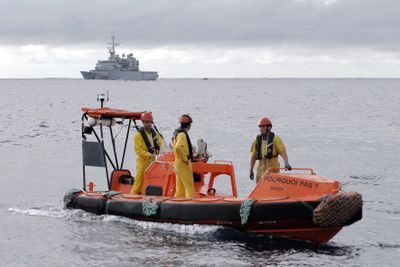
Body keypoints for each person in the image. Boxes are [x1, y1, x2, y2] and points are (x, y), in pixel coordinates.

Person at [249, 117, 292, 183]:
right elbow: (253, 156)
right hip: (260, 172)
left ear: (268, 127)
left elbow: (283, 152)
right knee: (261, 191)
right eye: (260, 127)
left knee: (273, 190)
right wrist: (251, 170)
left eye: (263, 127)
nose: (261, 129)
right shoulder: (256, 141)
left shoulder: (276, 139)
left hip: (273, 172)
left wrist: (286, 163)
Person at [131, 112, 163, 195]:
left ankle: (145, 198)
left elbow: (161, 143)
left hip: (154, 164)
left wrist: (167, 152)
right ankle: (132, 197)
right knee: (138, 182)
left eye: (150, 122)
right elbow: (138, 151)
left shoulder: (154, 133)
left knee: (151, 182)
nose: (149, 124)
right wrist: (150, 155)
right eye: (147, 122)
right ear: (143, 122)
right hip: (142, 163)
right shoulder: (138, 135)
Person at [172, 114, 195, 198]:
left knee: (180, 188)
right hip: (183, 163)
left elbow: (175, 147)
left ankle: (177, 203)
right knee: (189, 187)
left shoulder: (177, 133)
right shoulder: (182, 134)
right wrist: (185, 158)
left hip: (177, 163)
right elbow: (178, 147)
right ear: (189, 125)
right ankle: (190, 204)